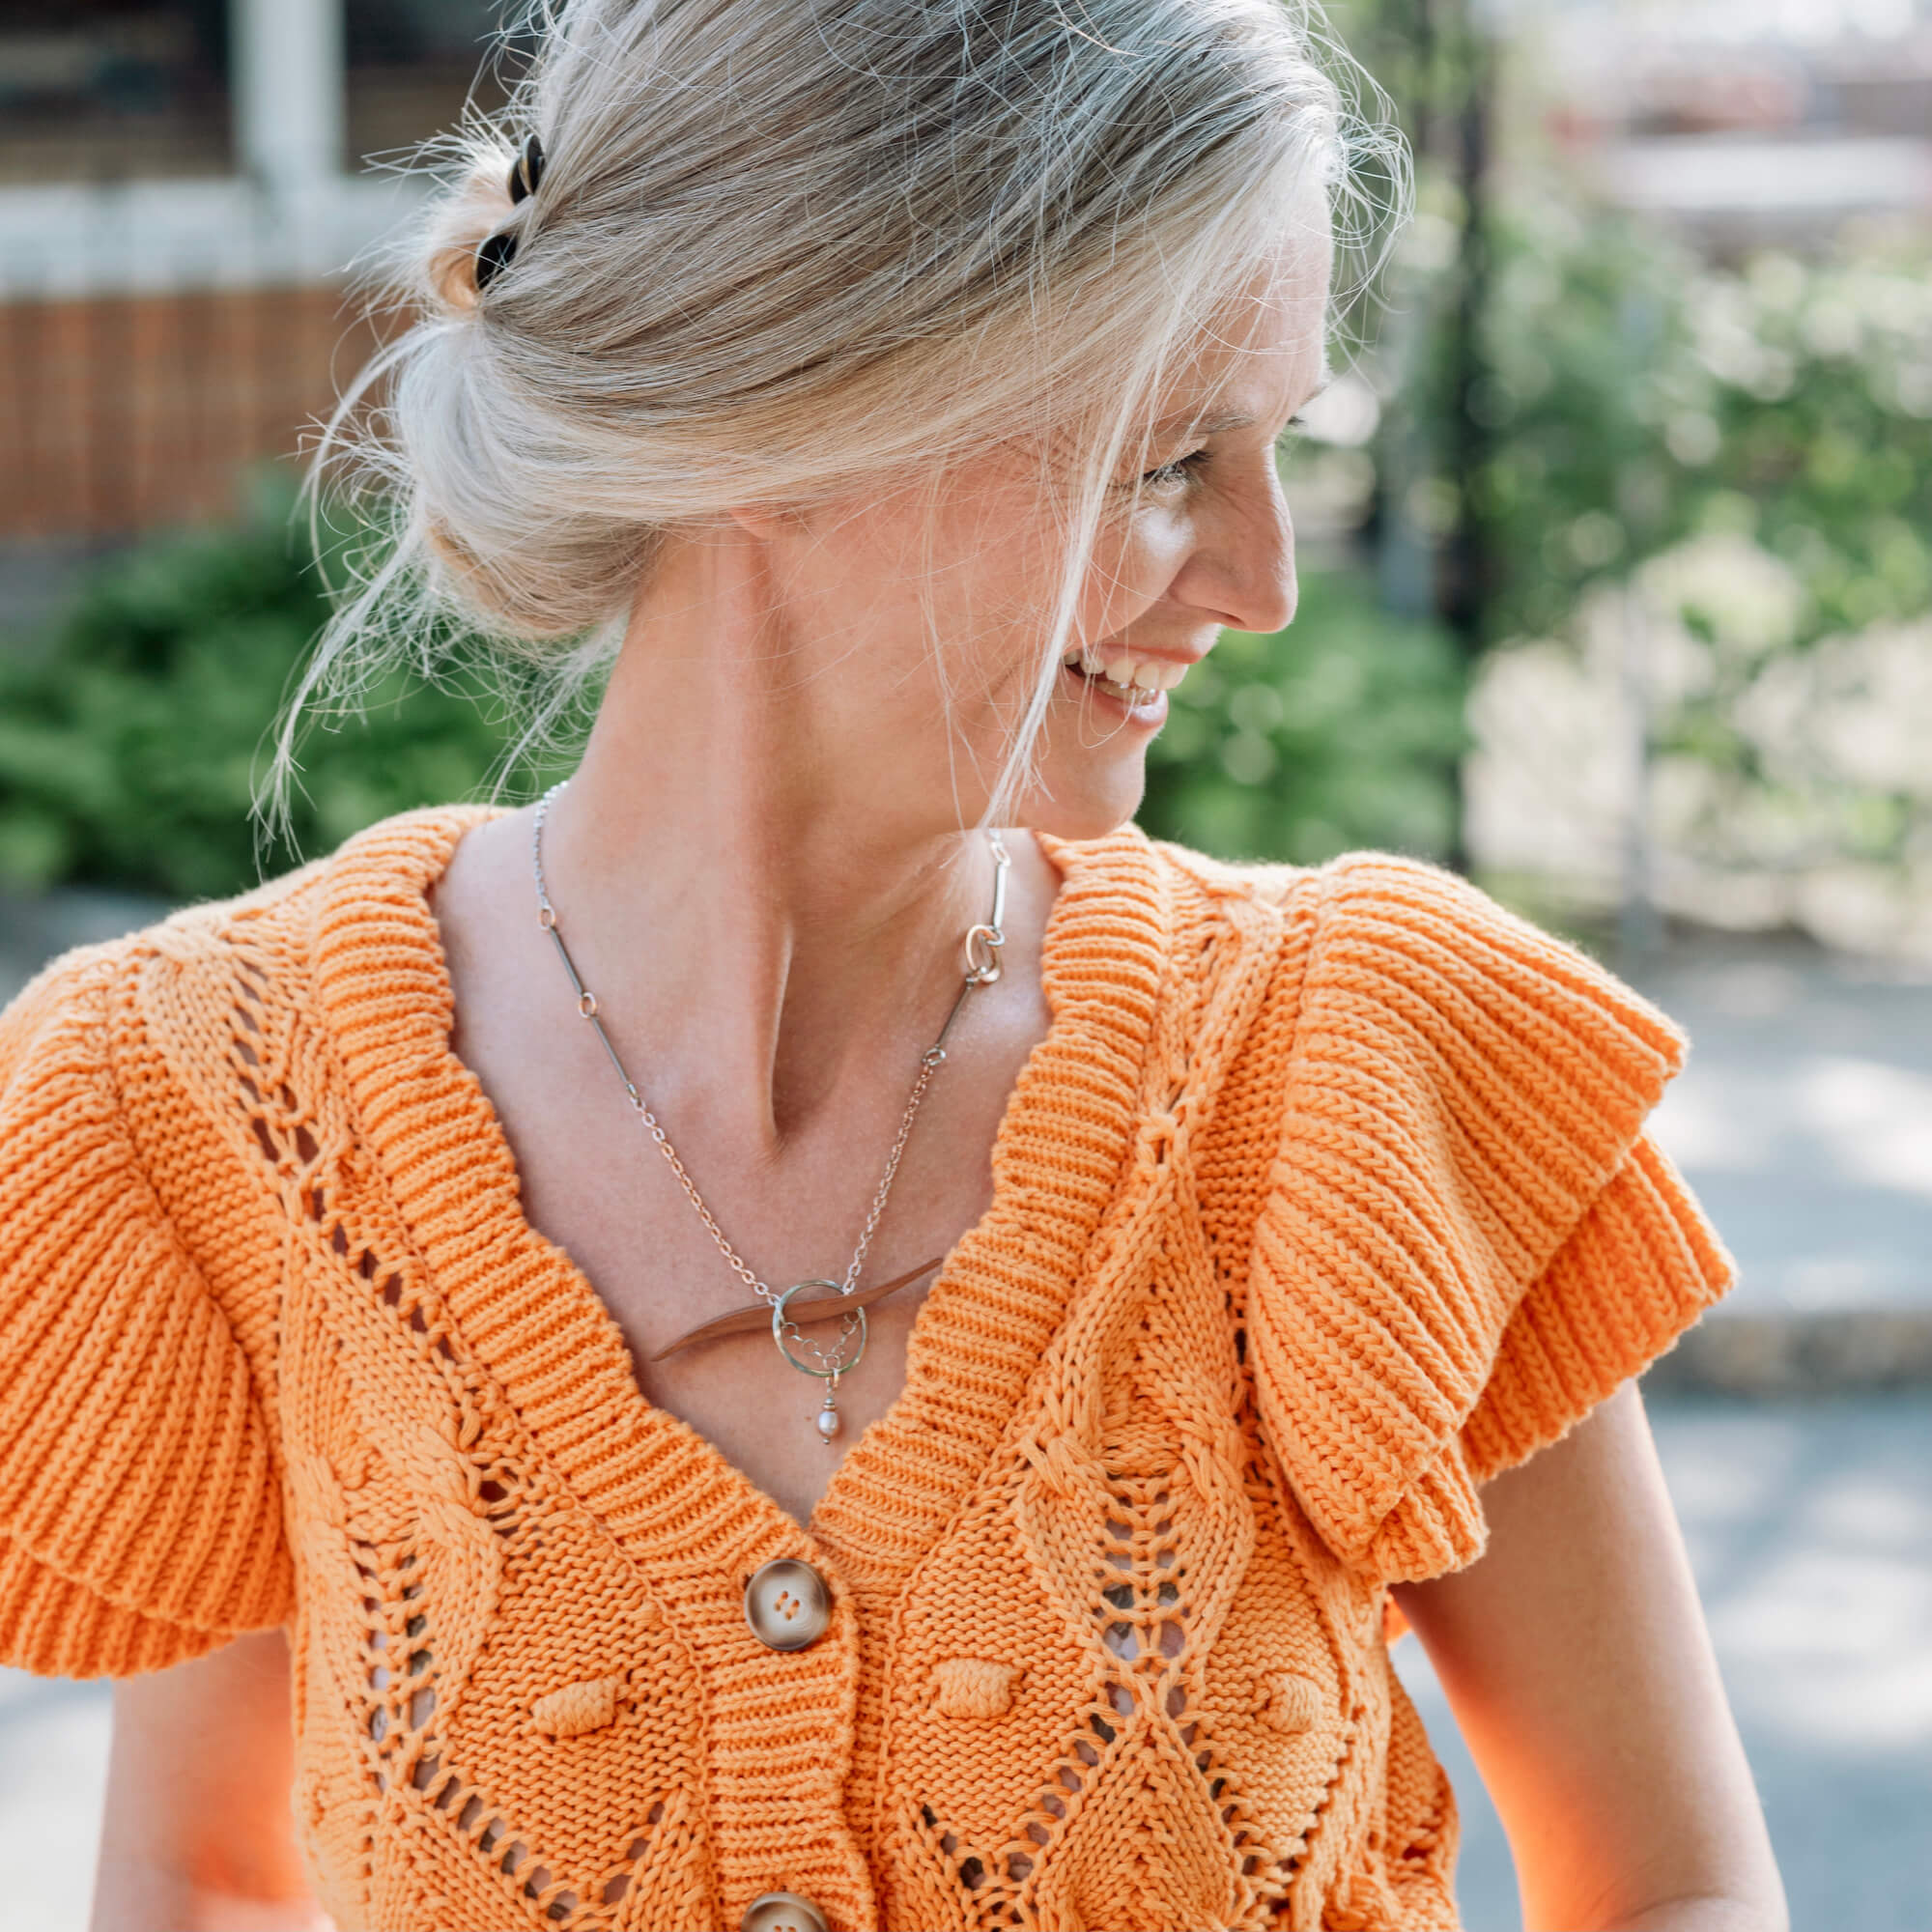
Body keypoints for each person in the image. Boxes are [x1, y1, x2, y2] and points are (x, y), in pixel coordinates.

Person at [0, 3, 1787, 1929]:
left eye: (1280, 451)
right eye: (1172, 454)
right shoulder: (211, 1112)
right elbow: (201, 1887)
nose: (1265, 581)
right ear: (780, 416)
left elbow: (1671, 1891)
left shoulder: (1358, 1067)